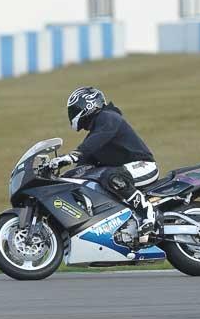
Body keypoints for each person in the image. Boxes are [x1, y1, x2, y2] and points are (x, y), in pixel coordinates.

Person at [48, 86, 159, 236]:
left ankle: (147, 213)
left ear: (87, 105)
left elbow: (94, 142)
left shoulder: (108, 117)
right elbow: (84, 165)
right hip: (127, 171)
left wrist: (73, 155)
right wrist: (60, 179)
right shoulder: (96, 133)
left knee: (112, 177)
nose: (72, 115)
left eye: (74, 110)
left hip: (144, 166)